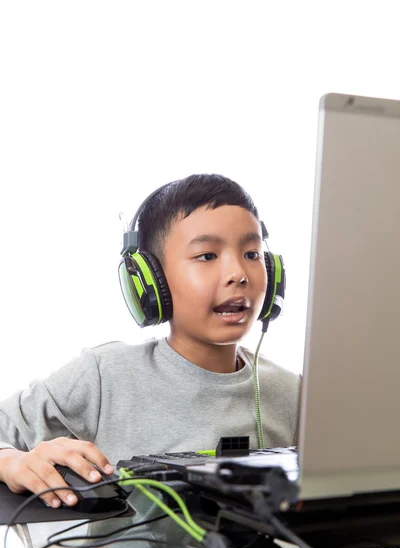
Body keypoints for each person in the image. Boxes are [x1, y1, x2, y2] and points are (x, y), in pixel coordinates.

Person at [0, 174, 300, 511]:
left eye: (252, 253)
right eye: (207, 256)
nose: (238, 273)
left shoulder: (295, 393)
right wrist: (10, 461)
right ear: (150, 280)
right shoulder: (104, 375)